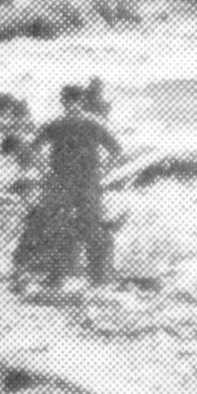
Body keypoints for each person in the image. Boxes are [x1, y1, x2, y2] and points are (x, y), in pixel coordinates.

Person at [29, 84, 123, 287]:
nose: (72, 106)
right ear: (79, 102)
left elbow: (33, 150)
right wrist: (104, 173)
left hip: (64, 182)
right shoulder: (92, 124)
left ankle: (57, 278)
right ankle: (95, 279)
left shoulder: (55, 125)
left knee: (58, 228)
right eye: (71, 102)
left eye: (71, 102)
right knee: (87, 228)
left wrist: (44, 171)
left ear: (63, 102)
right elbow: (116, 151)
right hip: (85, 183)